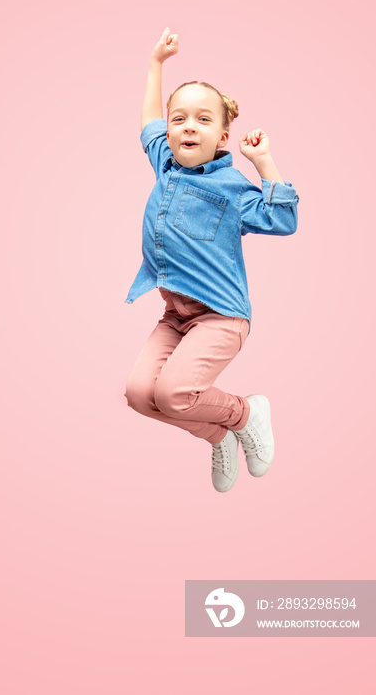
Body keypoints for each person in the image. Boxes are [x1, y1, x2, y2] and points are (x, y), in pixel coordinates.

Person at [124, 28, 299, 493]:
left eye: (202, 119)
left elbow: (282, 221)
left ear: (222, 136)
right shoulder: (164, 162)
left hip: (221, 316)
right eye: (179, 118)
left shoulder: (233, 187)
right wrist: (156, 64)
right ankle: (218, 435)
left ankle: (246, 413)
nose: (187, 126)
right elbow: (147, 121)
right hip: (175, 314)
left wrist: (264, 164)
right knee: (141, 396)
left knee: (173, 394)